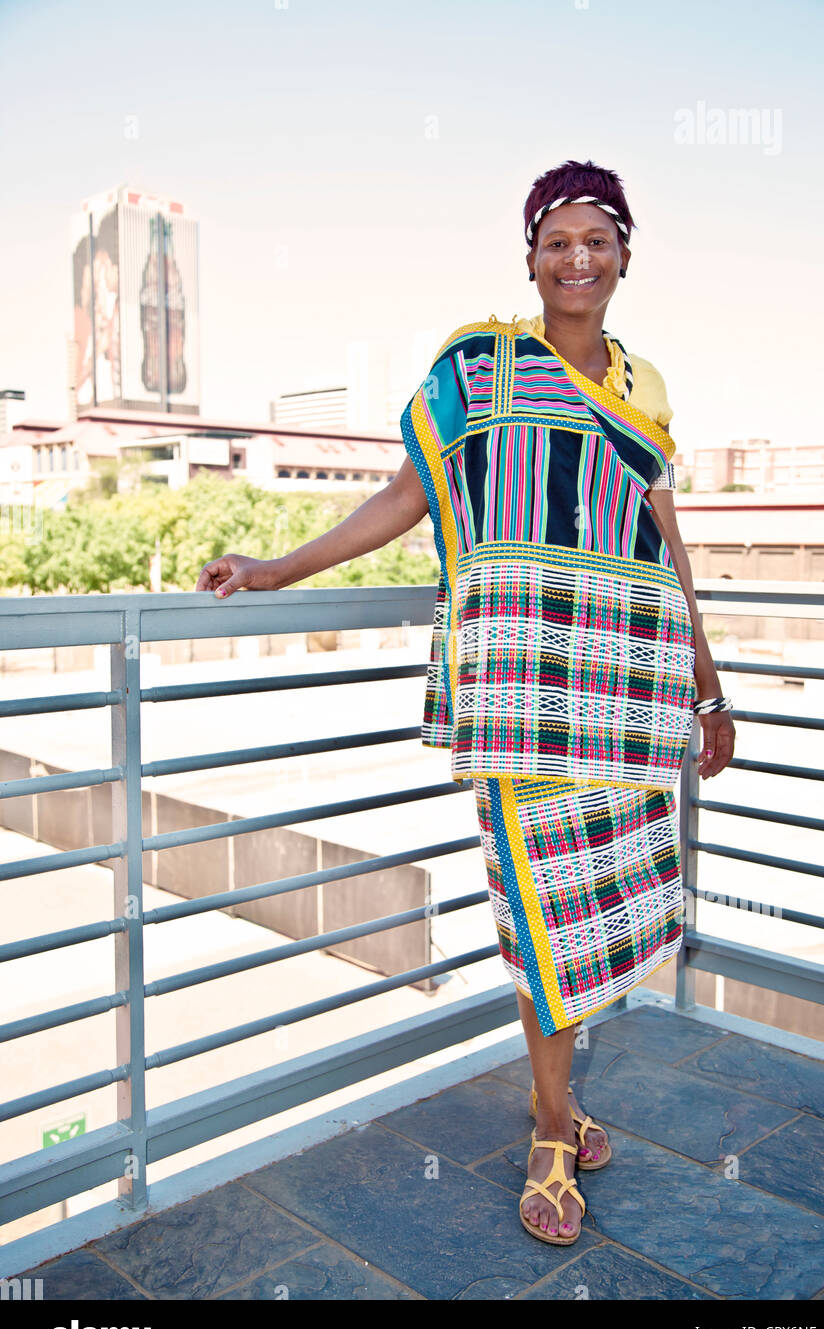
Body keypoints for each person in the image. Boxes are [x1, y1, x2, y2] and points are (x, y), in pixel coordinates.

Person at [196, 157, 735, 1249]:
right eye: (555, 243)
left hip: (622, 688)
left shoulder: (646, 391)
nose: (575, 260)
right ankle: (546, 1129)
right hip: (519, 692)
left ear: (624, 255)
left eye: (596, 241)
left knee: (593, 912)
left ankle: (559, 1101)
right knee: (540, 914)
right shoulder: (475, 371)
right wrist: (278, 569)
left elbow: (663, 538)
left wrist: (707, 682)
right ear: (529, 259)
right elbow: (407, 492)